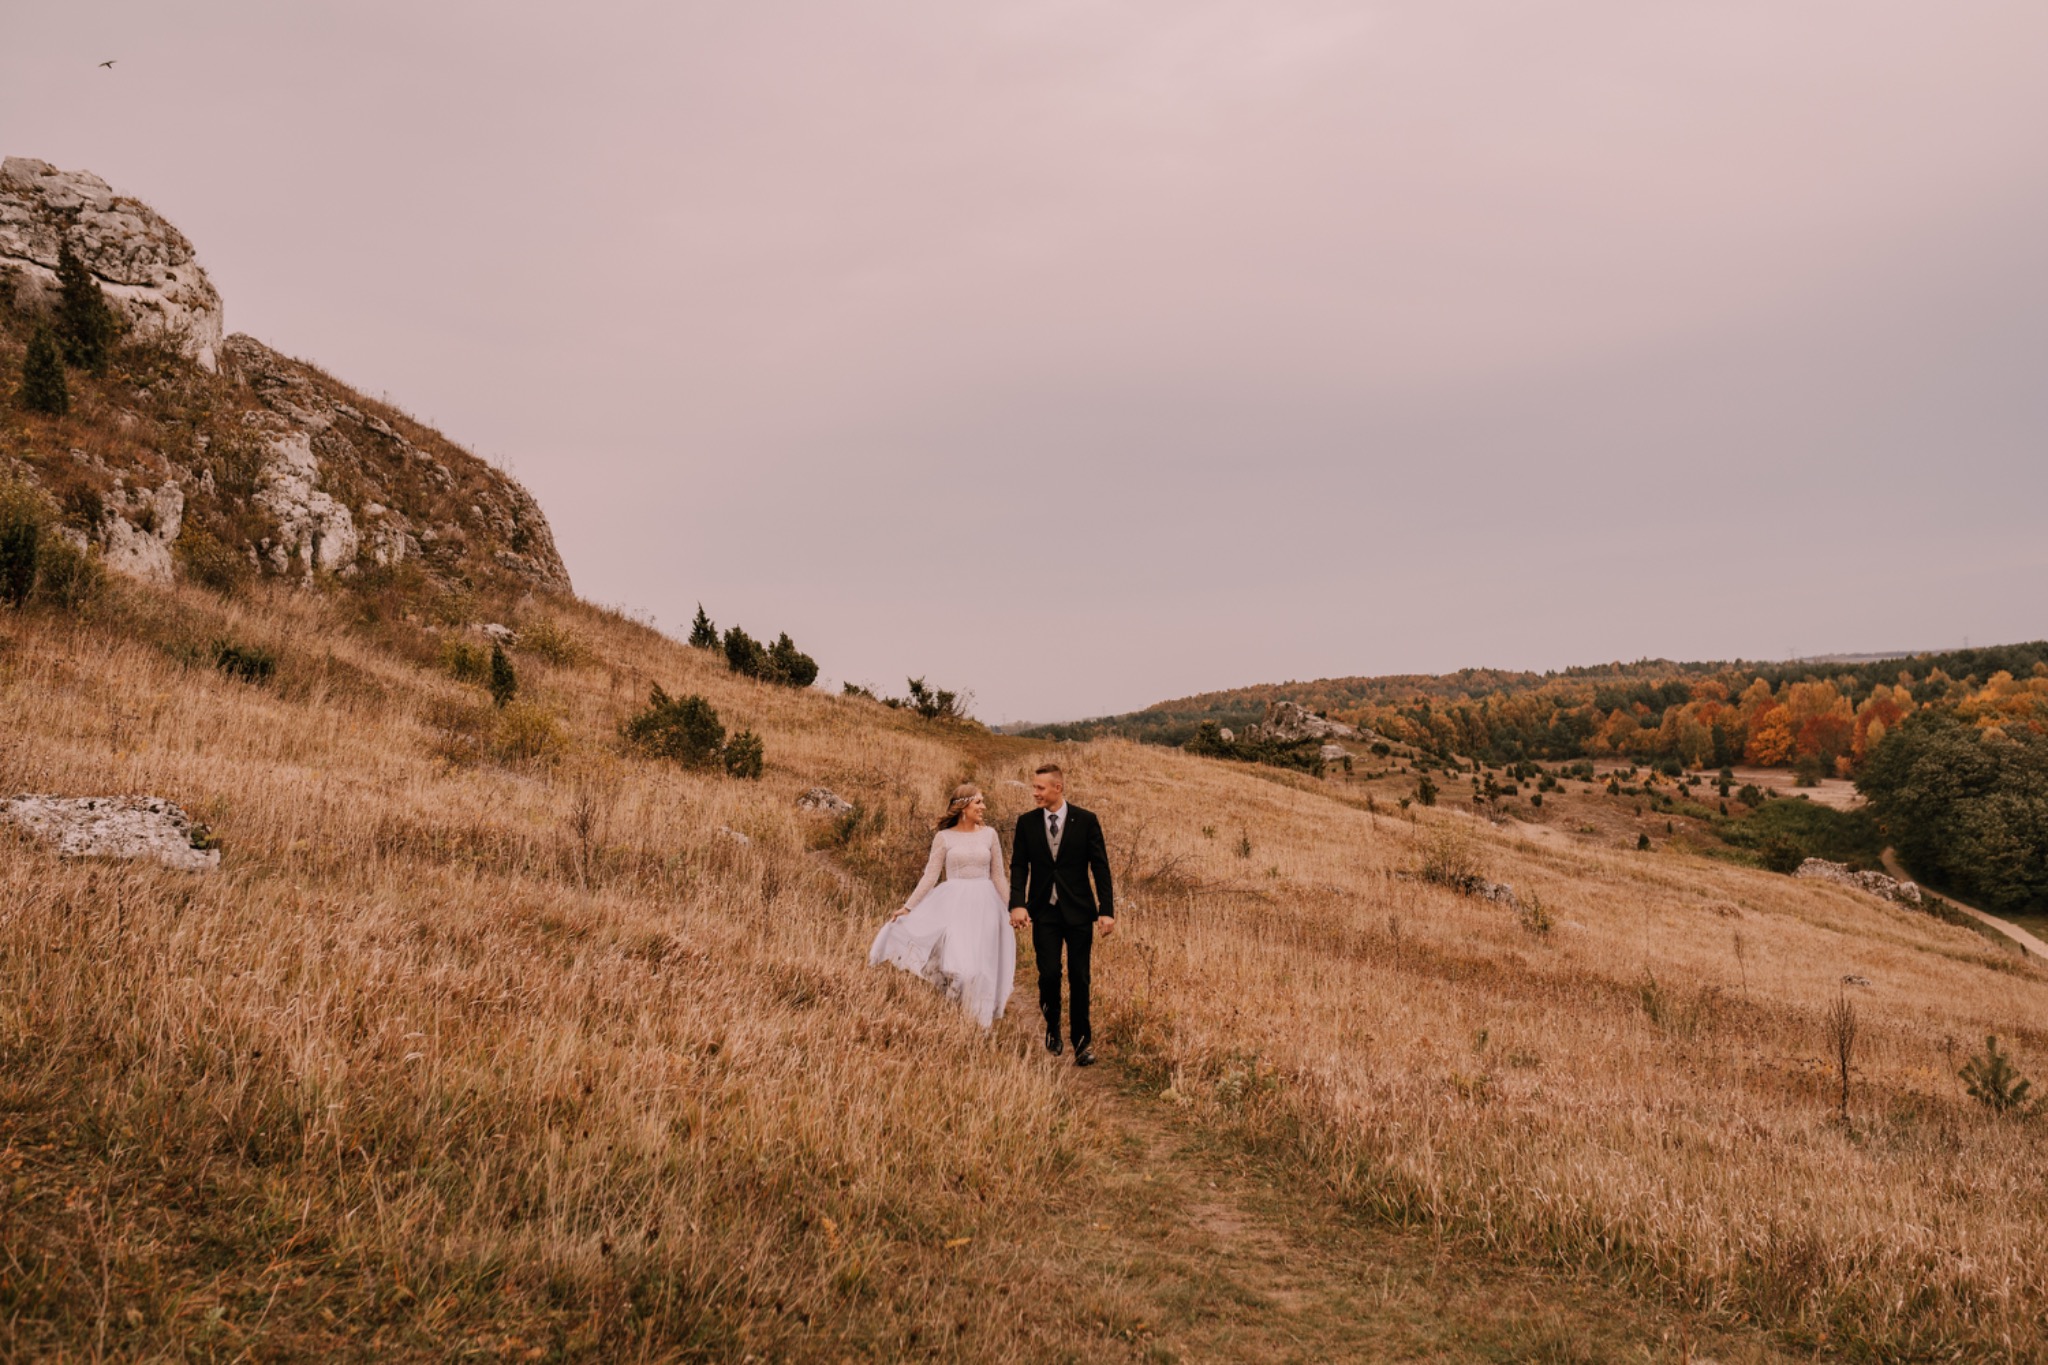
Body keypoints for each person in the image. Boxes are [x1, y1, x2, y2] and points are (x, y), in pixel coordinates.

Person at [867, 784, 1016, 1028]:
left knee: (982, 967)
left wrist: (1013, 908)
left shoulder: (990, 834)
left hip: (986, 905)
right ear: (963, 806)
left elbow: (998, 875)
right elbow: (930, 876)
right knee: (962, 966)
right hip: (954, 905)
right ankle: (959, 1017)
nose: (983, 807)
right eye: (978, 802)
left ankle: (980, 1025)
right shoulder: (944, 838)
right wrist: (908, 907)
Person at [1008, 763, 1114, 1066]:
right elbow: (1019, 866)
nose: (1034, 793)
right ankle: (1052, 1026)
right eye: (1034, 787)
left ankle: (1082, 1044)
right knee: (1049, 974)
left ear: (1058, 787)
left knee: (1080, 977)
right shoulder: (1026, 823)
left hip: (1080, 910)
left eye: (1040, 788)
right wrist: (1018, 903)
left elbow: (1100, 867)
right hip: (1044, 911)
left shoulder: (1087, 820)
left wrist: (1106, 911)